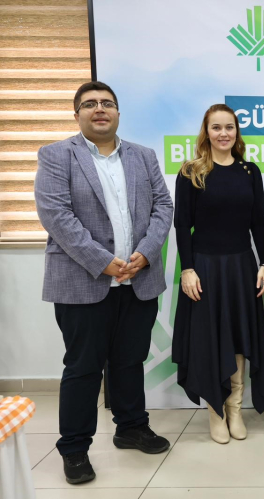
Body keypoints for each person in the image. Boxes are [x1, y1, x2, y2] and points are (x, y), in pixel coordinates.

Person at [34, 81, 173, 484]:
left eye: (107, 103)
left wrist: (145, 252)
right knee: (83, 368)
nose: (100, 109)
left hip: (138, 281)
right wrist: (103, 262)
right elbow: (56, 215)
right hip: (83, 283)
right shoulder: (57, 155)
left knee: (130, 360)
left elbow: (163, 206)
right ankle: (75, 449)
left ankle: (131, 427)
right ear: (76, 113)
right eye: (90, 103)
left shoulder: (143, 156)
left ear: (117, 113)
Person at [172, 103, 264, 444]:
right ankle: (216, 412)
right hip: (205, 268)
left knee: (240, 338)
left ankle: (235, 409)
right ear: (207, 132)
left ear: (236, 132)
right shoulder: (191, 172)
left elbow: (258, 223)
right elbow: (182, 226)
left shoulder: (249, 172)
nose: (224, 133)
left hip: (241, 267)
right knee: (210, 339)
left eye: (229, 127)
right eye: (216, 127)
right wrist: (187, 269)